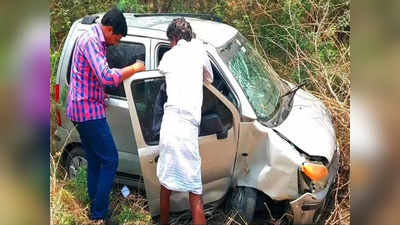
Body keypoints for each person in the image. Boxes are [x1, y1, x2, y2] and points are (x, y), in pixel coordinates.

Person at [65, 7, 145, 224]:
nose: (117, 42)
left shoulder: (93, 39)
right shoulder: (91, 41)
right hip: (86, 111)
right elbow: (106, 76)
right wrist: (135, 68)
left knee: (95, 160)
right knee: (110, 159)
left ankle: (95, 210)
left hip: (87, 106)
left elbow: (89, 77)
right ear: (109, 29)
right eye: (117, 37)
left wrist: (102, 98)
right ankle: (99, 215)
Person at [157, 18, 213, 225]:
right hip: (187, 129)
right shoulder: (199, 53)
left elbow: (162, 70)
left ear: (173, 39)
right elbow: (209, 79)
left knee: (165, 184)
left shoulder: (168, 57)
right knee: (195, 190)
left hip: (169, 126)